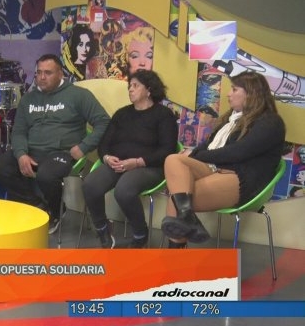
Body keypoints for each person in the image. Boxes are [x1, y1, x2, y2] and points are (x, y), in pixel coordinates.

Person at [160, 71, 286, 248]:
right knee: (173, 160)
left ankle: (174, 256)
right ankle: (187, 219)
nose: (228, 94)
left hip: (242, 178)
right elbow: (207, 146)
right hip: (216, 169)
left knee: (177, 199)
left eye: (234, 89)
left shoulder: (270, 122)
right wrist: (192, 153)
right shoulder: (230, 119)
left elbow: (238, 152)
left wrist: (195, 155)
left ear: (251, 93)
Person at [0, 54, 110, 234]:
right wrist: (21, 154)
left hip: (62, 153)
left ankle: (57, 212)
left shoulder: (79, 95)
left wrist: (84, 147)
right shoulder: (28, 99)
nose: (42, 77)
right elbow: (19, 131)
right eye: (39, 73)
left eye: (48, 73)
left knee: (46, 176)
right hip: (32, 151)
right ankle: (38, 206)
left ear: (60, 74)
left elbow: (104, 122)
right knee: (0, 167)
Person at [82, 70, 178, 248]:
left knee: (124, 190)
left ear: (149, 90)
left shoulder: (164, 115)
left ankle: (140, 234)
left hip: (149, 166)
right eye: (129, 86)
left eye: (135, 86)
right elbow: (104, 144)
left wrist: (137, 162)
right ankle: (103, 230)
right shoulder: (122, 114)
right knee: (90, 184)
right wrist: (107, 158)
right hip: (118, 164)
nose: (130, 90)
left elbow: (168, 150)